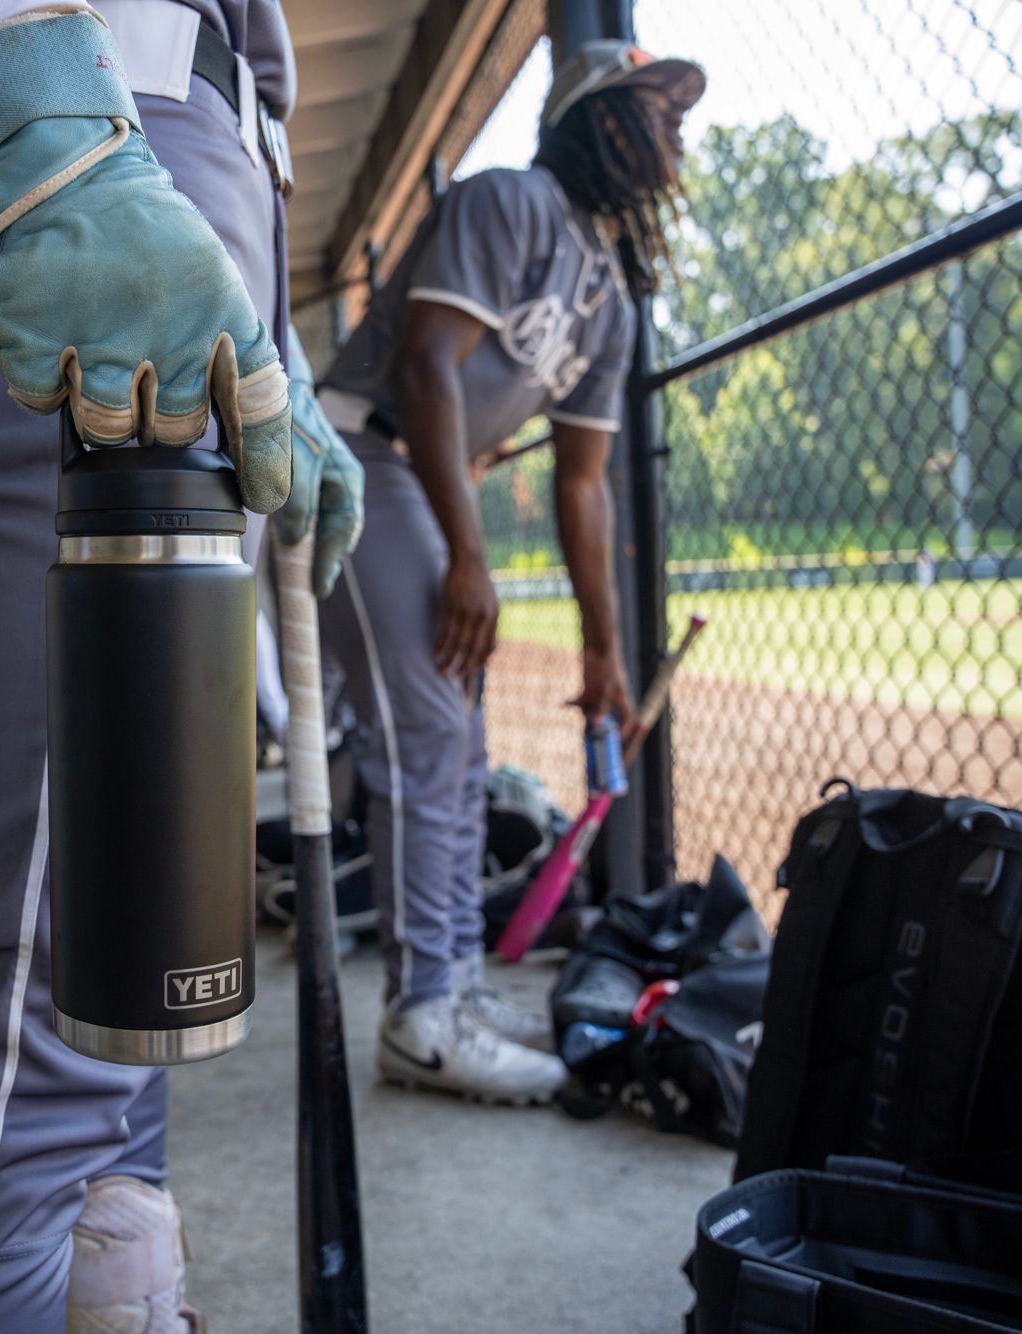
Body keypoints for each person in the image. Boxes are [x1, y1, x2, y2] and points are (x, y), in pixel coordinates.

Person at [0, 4, 360, 1331]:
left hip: (183, 262)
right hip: (83, 227)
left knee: (129, 1022)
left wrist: (282, 353)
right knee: (15, 1046)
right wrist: (58, 140)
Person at [315, 40, 706, 1104]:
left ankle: (450, 989)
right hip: (356, 449)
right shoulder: (509, 198)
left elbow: (582, 484)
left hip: (413, 480)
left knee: (460, 741)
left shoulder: (609, 300)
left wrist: (607, 650)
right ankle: (422, 1010)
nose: (674, 132)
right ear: (596, 122)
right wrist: (469, 559)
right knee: (430, 736)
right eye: (653, 110)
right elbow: (422, 365)